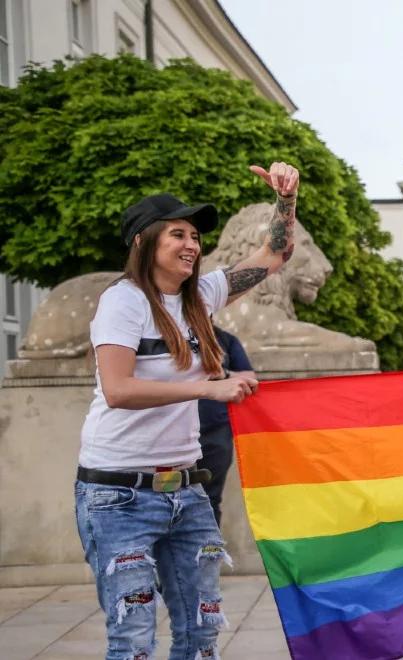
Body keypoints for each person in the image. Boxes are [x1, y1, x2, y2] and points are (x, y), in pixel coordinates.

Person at [75, 162, 300, 660]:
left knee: (200, 635)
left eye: (195, 235)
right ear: (143, 243)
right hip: (118, 495)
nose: (191, 244)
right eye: (177, 233)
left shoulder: (201, 296)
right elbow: (117, 388)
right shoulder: (124, 301)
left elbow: (276, 254)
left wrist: (286, 199)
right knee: (133, 640)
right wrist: (207, 389)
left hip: (187, 493)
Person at [196, 326, 255, 527]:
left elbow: (250, 379)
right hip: (173, 433)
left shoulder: (225, 339)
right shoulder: (166, 334)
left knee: (210, 498)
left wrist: (223, 374)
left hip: (216, 431)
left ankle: (208, 556)